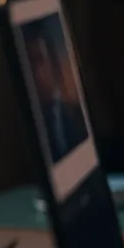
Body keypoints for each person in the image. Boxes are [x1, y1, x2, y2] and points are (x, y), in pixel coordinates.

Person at [25, 26, 88, 163]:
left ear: (51, 61)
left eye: (40, 60)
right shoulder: (37, 125)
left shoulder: (75, 114)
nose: (37, 74)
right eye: (32, 65)